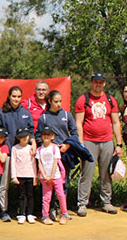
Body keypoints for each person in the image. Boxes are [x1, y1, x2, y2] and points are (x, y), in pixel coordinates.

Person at [73, 73, 124, 216]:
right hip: (89, 141)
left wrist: (118, 144)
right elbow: (79, 122)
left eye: (100, 82)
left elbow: (115, 122)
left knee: (106, 173)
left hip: (107, 141)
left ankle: (106, 202)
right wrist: (81, 142)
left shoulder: (110, 100)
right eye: (95, 82)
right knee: (87, 173)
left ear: (104, 84)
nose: (98, 85)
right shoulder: (83, 99)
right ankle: (82, 203)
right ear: (91, 83)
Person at [0, 86, 34, 222]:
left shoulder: (26, 113)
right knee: (4, 185)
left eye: (18, 96)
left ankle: (23, 212)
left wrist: (33, 143)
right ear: (9, 96)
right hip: (6, 153)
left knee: (24, 185)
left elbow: (31, 131)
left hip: (23, 155)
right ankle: (3, 211)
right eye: (13, 96)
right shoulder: (0, 113)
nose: (16, 99)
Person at [34, 90, 78, 221]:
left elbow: (74, 133)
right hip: (48, 156)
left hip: (64, 154)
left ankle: (63, 210)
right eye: (56, 101)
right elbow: (38, 136)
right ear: (49, 101)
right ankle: (50, 209)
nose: (59, 104)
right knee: (49, 182)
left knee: (63, 182)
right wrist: (48, 147)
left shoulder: (67, 115)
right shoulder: (44, 117)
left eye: (60, 101)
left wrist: (67, 145)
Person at [37, 126, 68, 225]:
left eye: (48, 134)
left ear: (52, 137)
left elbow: (56, 162)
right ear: (41, 137)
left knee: (60, 195)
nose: (46, 136)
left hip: (56, 176)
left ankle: (64, 214)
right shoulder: (39, 150)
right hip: (44, 177)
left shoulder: (55, 148)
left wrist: (52, 175)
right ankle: (45, 216)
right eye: (44, 134)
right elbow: (39, 164)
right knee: (46, 197)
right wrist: (45, 176)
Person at [10, 127, 36, 224]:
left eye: (26, 136)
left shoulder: (30, 148)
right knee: (21, 195)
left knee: (30, 195)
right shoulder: (15, 148)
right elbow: (13, 163)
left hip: (30, 175)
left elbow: (34, 163)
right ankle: (21, 214)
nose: (24, 138)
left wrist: (35, 177)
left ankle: (30, 214)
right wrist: (14, 176)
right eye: (22, 137)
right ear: (18, 138)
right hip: (20, 175)